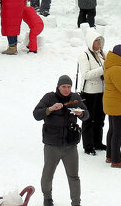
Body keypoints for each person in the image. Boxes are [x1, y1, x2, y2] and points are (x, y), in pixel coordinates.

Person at [33, 74, 87, 206]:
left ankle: (76, 203)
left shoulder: (75, 98)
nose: (67, 89)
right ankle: (47, 199)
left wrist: (81, 113)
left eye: (69, 87)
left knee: (74, 176)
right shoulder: (49, 97)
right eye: (64, 87)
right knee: (48, 174)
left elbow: (86, 115)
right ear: (58, 87)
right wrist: (50, 109)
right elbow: (36, 114)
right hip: (52, 145)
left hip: (70, 145)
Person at [76, 32, 107, 155]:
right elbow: (86, 75)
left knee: (100, 119)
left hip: (102, 91)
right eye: (96, 41)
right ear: (90, 42)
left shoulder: (101, 54)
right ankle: (88, 146)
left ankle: (98, 142)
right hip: (90, 92)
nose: (98, 43)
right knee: (88, 119)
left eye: (100, 41)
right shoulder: (84, 55)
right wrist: (103, 69)